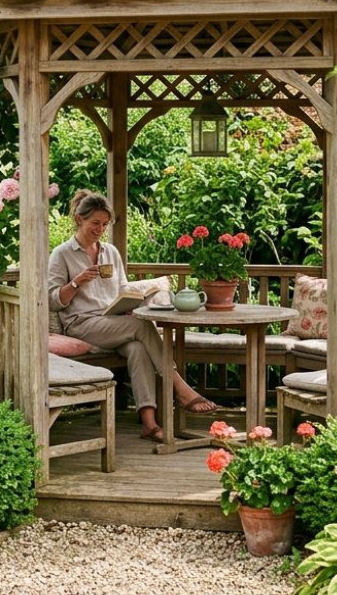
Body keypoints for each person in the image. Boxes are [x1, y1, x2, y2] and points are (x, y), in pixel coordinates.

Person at [48, 189, 217, 442]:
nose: (100, 229)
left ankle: (149, 423)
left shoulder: (110, 252)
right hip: (81, 324)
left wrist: (128, 303)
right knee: (141, 326)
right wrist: (76, 282)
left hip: (111, 322)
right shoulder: (62, 254)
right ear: (79, 219)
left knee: (138, 348)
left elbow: (123, 288)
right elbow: (53, 299)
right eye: (95, 223)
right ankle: (179, 386)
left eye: (105, 224)